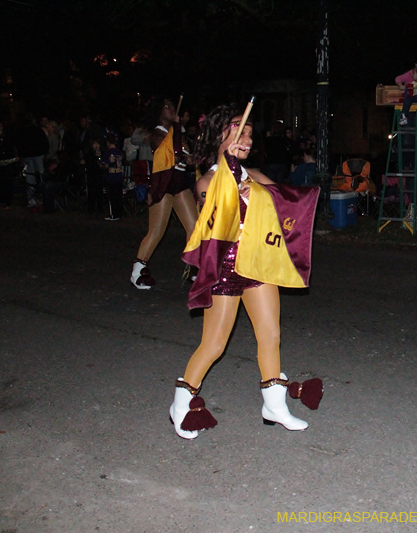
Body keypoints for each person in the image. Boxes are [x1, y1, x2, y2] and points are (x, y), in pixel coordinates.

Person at [170, 105, 322, 439]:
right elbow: (212, 203)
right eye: (239, 133)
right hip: (225, 269)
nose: (247, 140)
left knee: (270, 335)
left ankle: (275, 406)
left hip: (258, 263)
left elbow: (286, 198)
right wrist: (240, 190)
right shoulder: (208, 180)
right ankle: (181, 403)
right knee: (214, 345)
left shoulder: (251, 174)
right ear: (219, 137)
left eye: (250, 134)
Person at [130, 98, 199, 290]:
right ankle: (138, 269)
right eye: (166, 106)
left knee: (194, 226)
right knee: (156, 231)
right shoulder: (157, 133)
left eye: (171, 105)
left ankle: (192, 267)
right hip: (163, 184)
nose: (170, 109)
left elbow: (188, 160)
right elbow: (174, 154)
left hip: (180, 183)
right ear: (158, 112)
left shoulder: (177, 132)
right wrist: (178, 130)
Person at [103, 134, 124, 220]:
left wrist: (100, 162)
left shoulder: (108, 152)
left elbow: (106, 166)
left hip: (111, 177)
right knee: (118, 196)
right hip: (119, 176)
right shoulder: (119, 152)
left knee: (112, 197)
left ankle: (113, 214)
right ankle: (118, 213)